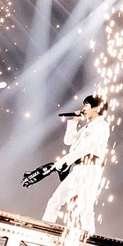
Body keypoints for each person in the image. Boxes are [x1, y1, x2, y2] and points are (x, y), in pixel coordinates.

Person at [41, 95, 110, 234]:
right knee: (55, 200)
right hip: (78, 168)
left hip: (90, 168)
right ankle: (45, 229)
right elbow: (68, 141)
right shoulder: (86, 128)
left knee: (85, 206)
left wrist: (64, 161)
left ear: (96, 108)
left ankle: (89, 238)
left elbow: (87, 148)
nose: (83, 109)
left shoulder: (102, 126)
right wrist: (73, 122)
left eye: (86, 106)